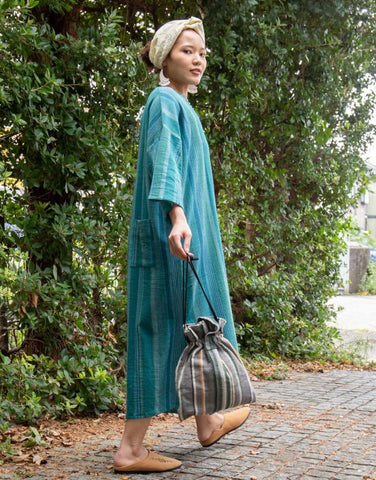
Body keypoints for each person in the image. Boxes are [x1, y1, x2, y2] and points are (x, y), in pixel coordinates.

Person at [113, 17, 251, 474]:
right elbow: (165, 158)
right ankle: (130, 450)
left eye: (202, 53)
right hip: (169, 237)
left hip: (185, 235)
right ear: (164, 58)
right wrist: (177, 216)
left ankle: (207, 422)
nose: (197, 60)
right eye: (186, 51)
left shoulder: (181, 105)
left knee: (192, 322)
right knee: (157, 330)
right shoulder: (164, 101)